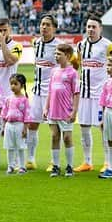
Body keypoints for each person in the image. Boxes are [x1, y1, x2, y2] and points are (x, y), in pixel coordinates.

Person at [75, 16, 112, 173]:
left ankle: (107, 161)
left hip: (101, 95)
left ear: (100, 29)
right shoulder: (80, 45)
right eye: (88, 27)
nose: (90, 29)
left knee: (103, 128)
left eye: (94, 27)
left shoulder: (108, 46)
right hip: (85, 93)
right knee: (84, 126)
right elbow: (78, 65)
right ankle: (87, 162)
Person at [26, 14, 62, 170]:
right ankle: (30, 159)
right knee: (32, 124)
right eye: (42, 24)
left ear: (54, 28)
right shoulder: (36, 43)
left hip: (52, 94)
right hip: (37, 91)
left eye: (47, 24)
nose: (44, 27)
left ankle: (54, 161)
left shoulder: (59, 46)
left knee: (54, 127)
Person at [44, 44, 80, 178]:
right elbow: (50, 90)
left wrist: (74, 111)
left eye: (59, 54)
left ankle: (70, 166)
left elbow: (76, 93)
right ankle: (56, 166)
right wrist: (46, 107)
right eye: (55, 54)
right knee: (54, 136)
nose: (56, 56)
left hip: (66, 110)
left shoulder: (73, 73)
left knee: (67, 137)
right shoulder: (54, 71)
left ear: (68, 56)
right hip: (53, 109)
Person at [0, 18, 23, 99]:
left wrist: (2, 42)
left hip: (8, 93)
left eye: (5, 30)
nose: (2, 33)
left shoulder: (16, 46)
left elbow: (9, 61)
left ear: (10, 30)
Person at [1, 74, 31, 175]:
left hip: (19, 125)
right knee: (10, 147)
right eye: (11, 84)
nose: (13, 86)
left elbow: (27, 115)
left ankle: (22, 166)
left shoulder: (24, 100)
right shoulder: (8, 99)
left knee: (20, 146)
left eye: (15, 84)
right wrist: (3, 126)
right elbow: (4, 112)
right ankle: (10, 166)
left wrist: (25, 128)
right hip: (9, 125)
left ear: (21, 85)